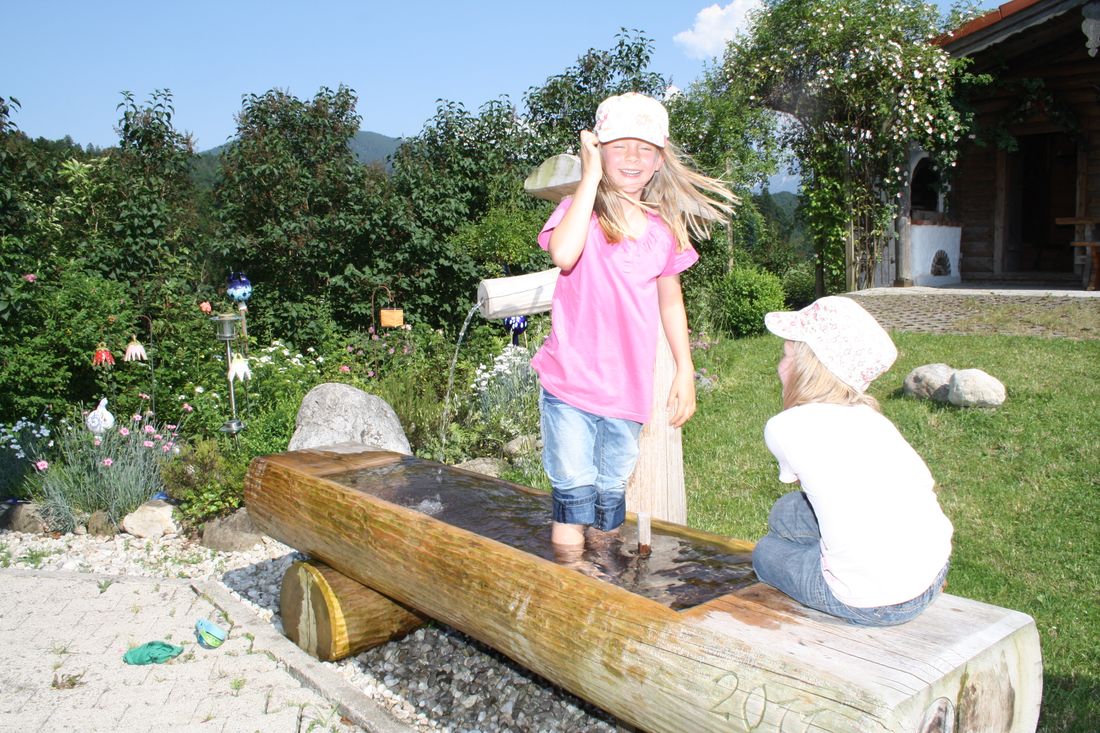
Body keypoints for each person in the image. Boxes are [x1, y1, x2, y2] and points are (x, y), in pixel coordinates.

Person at [532, 92, 736, 554]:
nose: (632, 157)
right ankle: (568, 589)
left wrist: (685, 369)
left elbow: (670, 301)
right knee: (572, 502)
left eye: (644, 148)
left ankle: (603, 590)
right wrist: (589, 178)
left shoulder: (664, 228)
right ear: (599, 150)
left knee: (607, 511)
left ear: (660, 158)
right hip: (570, 386)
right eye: (619, 145)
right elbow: (563, 255)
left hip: (627, 393)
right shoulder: (578, 211)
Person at [752, 296, 953, 626]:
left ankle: (843, 565)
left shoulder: (785, 428)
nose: (779, 367)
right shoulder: (871, 418)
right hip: (933, 571)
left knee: (766, 553)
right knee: (786, 512)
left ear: (809, 368)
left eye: (787, 356)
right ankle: (852, 554)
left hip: (872, 600)